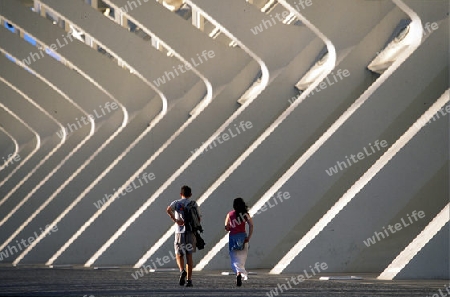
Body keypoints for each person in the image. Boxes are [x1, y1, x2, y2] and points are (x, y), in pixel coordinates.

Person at [166, 185, 200, 287]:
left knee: (179, 254)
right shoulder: (193, 204)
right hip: (190, 232)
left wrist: (176, 220)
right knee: (189, 256)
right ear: (190, 195)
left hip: (179, 232)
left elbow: (168, 209)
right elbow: (198, 219)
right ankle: (189, 280)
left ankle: (182, 270)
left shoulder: (176, 203)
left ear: (181, 194)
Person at [225, 197, 254, 287]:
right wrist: (249, 237)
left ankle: (238, 273)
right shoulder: (245, 215)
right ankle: (240, 273)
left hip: (233, 237)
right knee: (242, 258)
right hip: (243, 237)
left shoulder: (230, 214)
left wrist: (230, 227)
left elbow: (226, 227)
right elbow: (251, 225)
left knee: (234, 258)